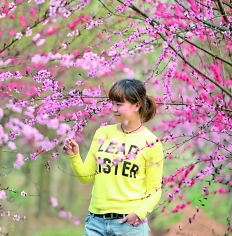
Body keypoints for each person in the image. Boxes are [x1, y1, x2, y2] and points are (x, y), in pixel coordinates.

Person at [64, 78, 164, 236]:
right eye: (112, 103)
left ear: (137, 105)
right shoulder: (102, 133)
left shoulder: (152, 143)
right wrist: (75, 156)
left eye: (119, 104)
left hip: (128, 225)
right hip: (96, 222)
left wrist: (139, 214)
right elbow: (87, 177)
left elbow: (155, 189)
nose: (113, 109)